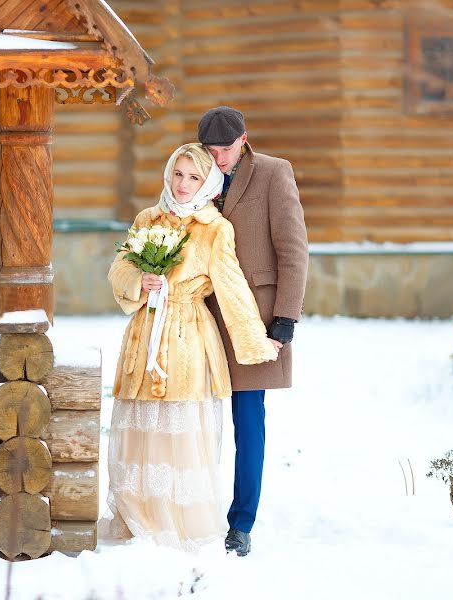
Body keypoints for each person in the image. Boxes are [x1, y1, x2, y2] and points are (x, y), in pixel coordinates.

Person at [103, 143, 281, 551]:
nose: (183, 184)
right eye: (178, 174)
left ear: (208, 183)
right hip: (145, 331)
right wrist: (138, 282)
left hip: (186, 334)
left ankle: (178, 519)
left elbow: (232, 288)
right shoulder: (148, 218)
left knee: (178, 429)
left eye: (194, 177)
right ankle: (138, 514)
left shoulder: (215, 228)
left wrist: (256, 343)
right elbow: (120, 268)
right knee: (141, 425)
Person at [198, 106, 309, 557]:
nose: (218, 158)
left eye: (224, 149)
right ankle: (191, 513)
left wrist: (285, 319)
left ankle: (241, 523)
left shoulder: (274, 173)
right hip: (201, 318)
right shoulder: (196, 173)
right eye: (211, 150)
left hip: (254, 321)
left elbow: (294, 250)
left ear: (244, 139)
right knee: (195, 422)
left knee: (249, 422)